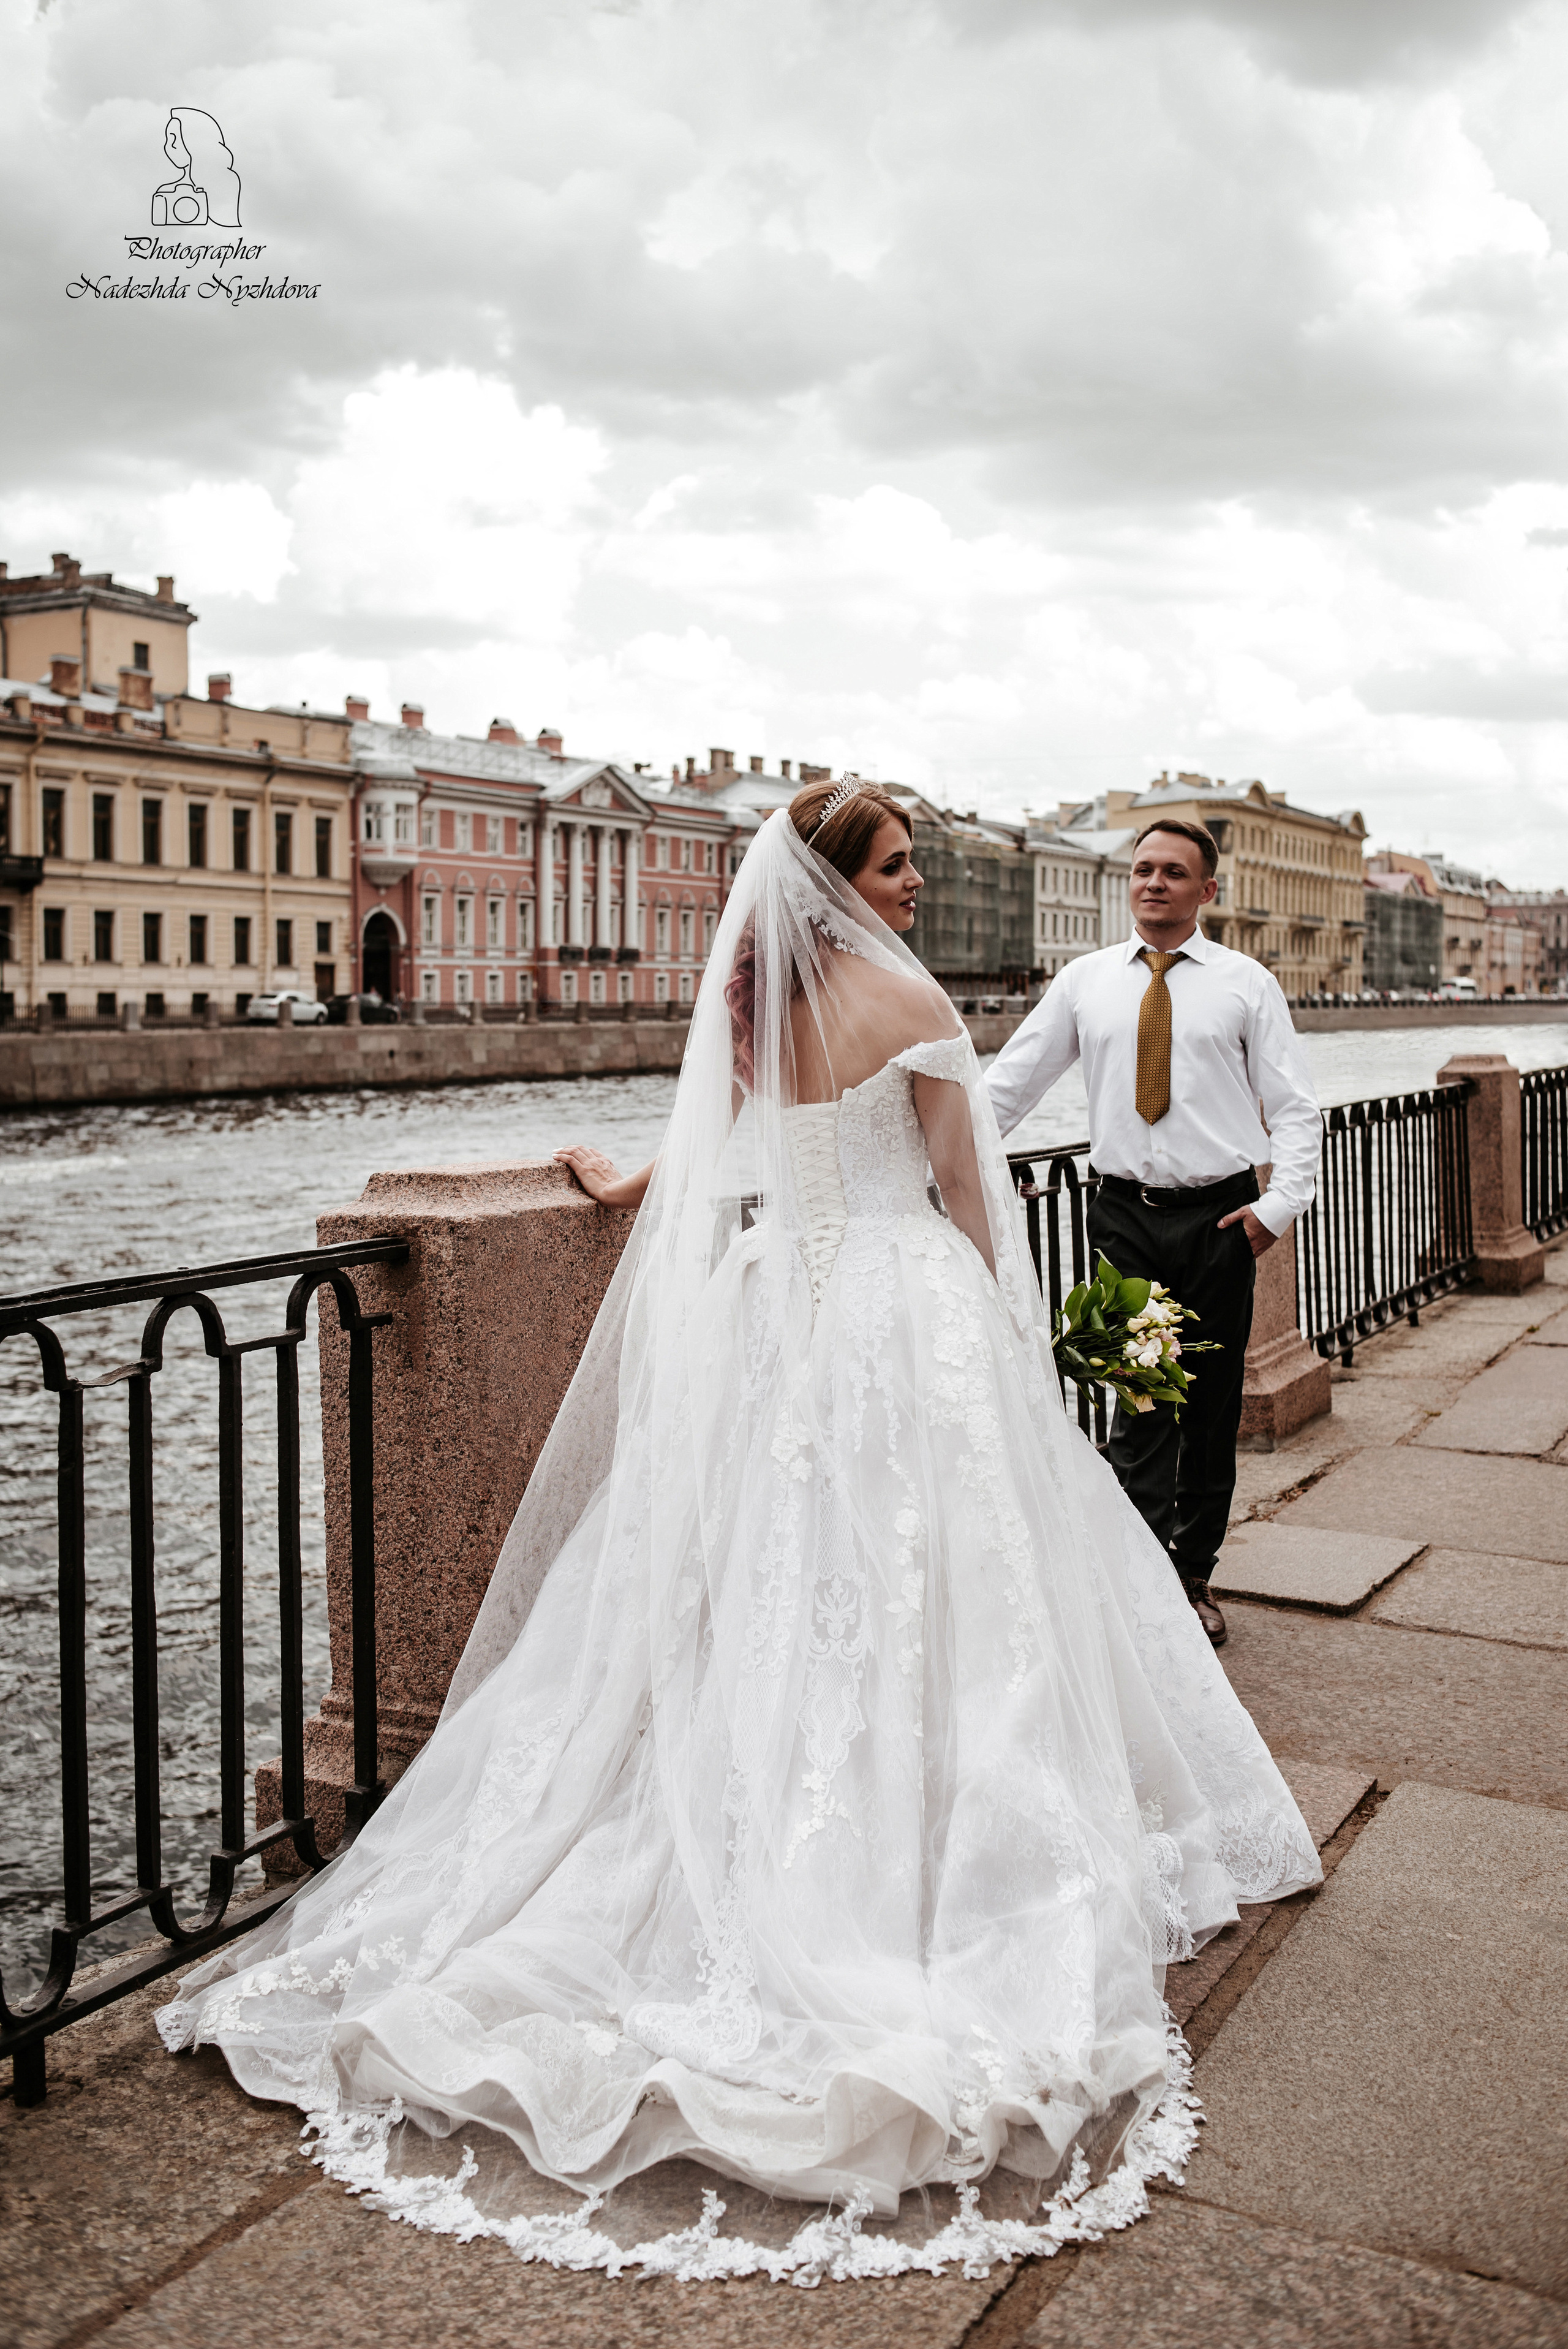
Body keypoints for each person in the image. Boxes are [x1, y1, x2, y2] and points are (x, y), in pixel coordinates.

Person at [157, 785, 1319, 2285]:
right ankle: (921, 1855)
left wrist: (623, 1180)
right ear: (841, 880)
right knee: (939, 1589)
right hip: (902, 1310)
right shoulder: (905, 996)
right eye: (897, 866)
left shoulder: (755, 994)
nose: (913, 887)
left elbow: (711, 1142)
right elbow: (967, 1184)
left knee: (759, 1582)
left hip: (776, 1310)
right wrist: (1010, 1339)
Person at [987, 819, 1321, 1648]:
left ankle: (1193, 1577)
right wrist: (924, 1152)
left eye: (1175, 872)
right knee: (1137, 1401)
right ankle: (1141, 1585)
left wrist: (1275, 1212)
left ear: (1208, 891)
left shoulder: (1246, 985)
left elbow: (1295, 1110)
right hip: (1123, 1215)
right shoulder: (1085, 982)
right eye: (1143, 869)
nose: (1154, 883)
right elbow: (1004, 1088)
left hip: (1220, 1220)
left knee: (1206, 1411)